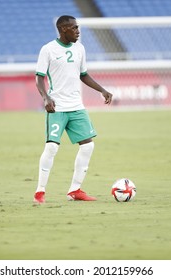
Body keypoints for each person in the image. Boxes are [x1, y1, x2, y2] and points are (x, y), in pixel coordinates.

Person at [34, 15, 113, 204]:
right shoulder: (48, 49)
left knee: (88, 145)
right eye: (74, 28)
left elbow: (83, 75)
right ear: (63, 29)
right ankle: (40, 191)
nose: (78, 31)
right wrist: (46, 97)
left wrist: (102, 90)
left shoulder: (80, 49)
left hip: (76, 107)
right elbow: (39, 78)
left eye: (78, 27)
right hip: (57, 108)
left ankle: (75, 190)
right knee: (52, 147)